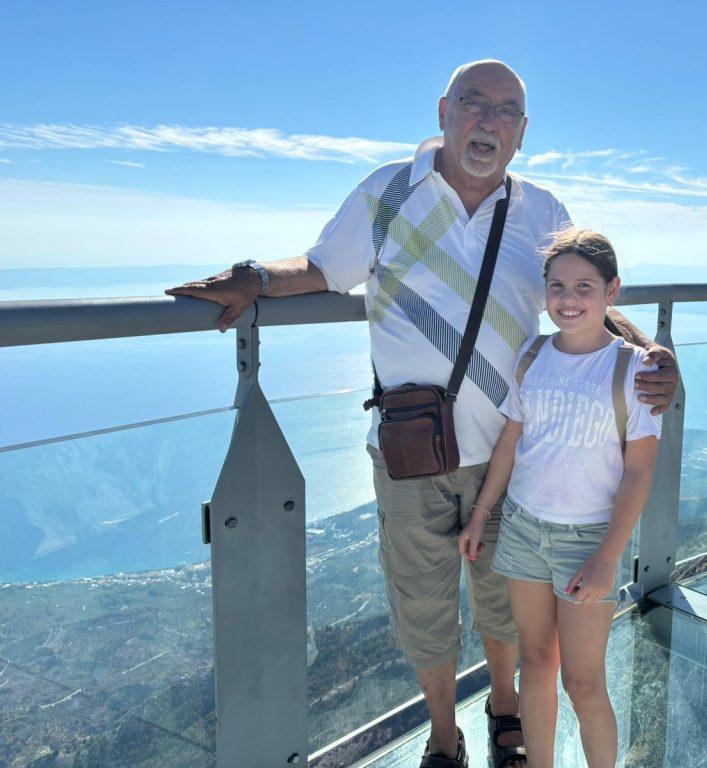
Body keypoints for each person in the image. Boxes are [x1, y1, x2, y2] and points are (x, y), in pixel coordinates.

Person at [165, 60, 679, 768]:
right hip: (413, 452)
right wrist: (254, 277)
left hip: (510, 454)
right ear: (443, 110)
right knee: (423, 607)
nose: (488, 121)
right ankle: (444, 735)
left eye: (506, 112)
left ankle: (505, 712)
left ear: (523, 133)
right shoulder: (389, 191)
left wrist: (648, 348)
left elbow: (580, 299)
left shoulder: (542, 212)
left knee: (506, 606)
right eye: (474, 104)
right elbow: (322, 268)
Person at [458, 229, 661, 768]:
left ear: (612, 291)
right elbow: (510, 442)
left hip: (590, 538)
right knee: (536, 662)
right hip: (524, 527)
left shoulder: (634, 368)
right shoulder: (532, 354)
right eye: (557, 287)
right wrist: (482, 515)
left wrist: (607, 557)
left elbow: (640, 471)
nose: (568, 300)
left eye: (584, 287)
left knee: (583, 680)